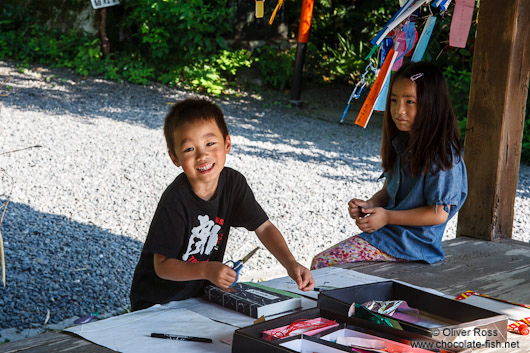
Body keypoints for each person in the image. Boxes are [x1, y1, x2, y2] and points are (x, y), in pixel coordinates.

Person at [130, 97, 314, 311]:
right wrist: (206, 270)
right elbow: (161, 267)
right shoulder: (175, 200)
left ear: (227, 144)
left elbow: (263, 227)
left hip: (198, 297)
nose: (202, 155)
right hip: (156, 303)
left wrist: (291, 264)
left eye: (210, 143)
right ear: (175, 158)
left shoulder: (233, 183)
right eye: (190, 149)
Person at [311, 61, 468, 269]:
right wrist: (370, 205)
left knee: (324, 264)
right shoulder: (403, 142)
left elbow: (439, 213)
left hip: (412, 247)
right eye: (394, 101)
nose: (398, 110)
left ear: (432, 104)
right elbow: (389, 191)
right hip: (389, 237)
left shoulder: (443, 154)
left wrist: (387, 217)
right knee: (325, 266)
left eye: (409, 102)